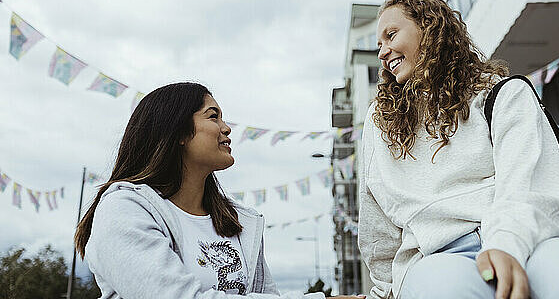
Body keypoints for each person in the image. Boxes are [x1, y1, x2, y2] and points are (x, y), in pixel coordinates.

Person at [357, 0, 559, 299]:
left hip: (532, 240)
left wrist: (506, 245)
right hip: (437, 257)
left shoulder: (505, 94)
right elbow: (377, 229)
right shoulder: (380, 124)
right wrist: (385, 292)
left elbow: (529, 184)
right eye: (379, 44)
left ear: (430, 29)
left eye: (390, 35)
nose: (383, 51)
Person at [75, 82, 361, 299]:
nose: (226, 128)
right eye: (213, 117)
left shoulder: (239, 222)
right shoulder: (123, 209)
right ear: (179, 133)